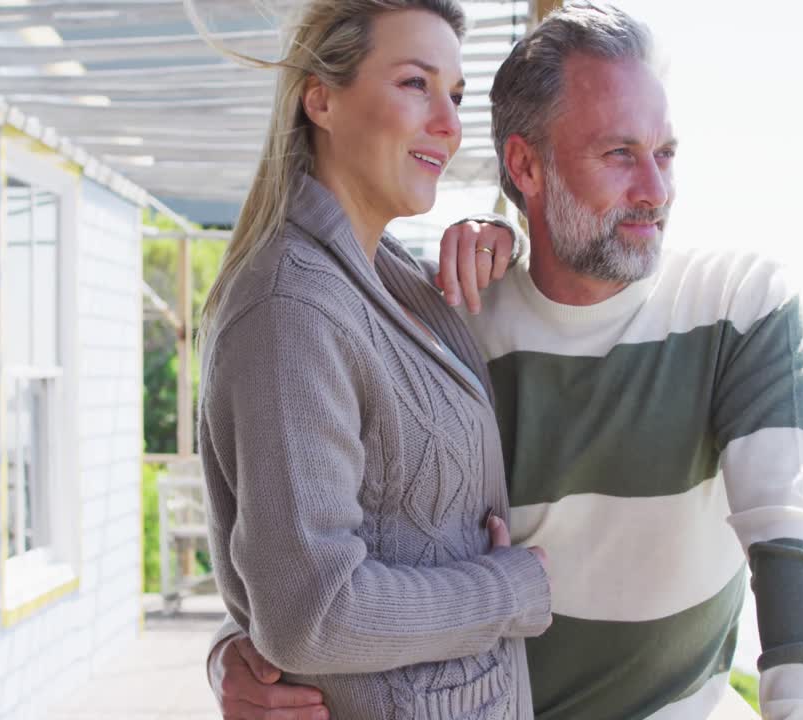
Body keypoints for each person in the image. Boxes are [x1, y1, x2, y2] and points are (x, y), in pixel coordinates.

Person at [209, 4, 803, 720]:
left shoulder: (735, 305)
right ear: (524, 165)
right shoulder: (427, 319)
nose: (656, 190)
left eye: (665, 153)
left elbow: (793, 542)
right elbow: (308, 580)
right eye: (618, 154)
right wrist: (242, 650)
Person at [192, 1, 555, 719]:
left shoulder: (387, 277)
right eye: (415, 84)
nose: (449, 127)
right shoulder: (292, 308)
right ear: (321, 99)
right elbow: (313, 611)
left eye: (453, 95)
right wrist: (513, 589)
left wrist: (506, 239)